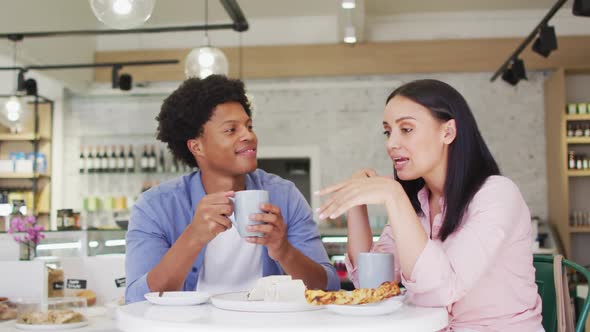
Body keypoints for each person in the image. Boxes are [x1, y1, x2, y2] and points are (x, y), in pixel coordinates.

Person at [316, 79, 543, 331]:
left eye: (406, 129)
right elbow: (372, 287)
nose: (391, 144)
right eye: (388, 131)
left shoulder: (497, 195)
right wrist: (356, 203)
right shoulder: (415, 206)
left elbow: (441, 290)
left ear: (448, 132)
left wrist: (394, 195)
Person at [125, 75, 339, 303]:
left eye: (249, 126)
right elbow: (137, 299)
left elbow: (328, 288)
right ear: (197, 146)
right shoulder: (155, 206)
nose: (248, 136)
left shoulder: (284, 196)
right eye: (231, 130)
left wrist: (284, 250)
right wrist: (193, 237)